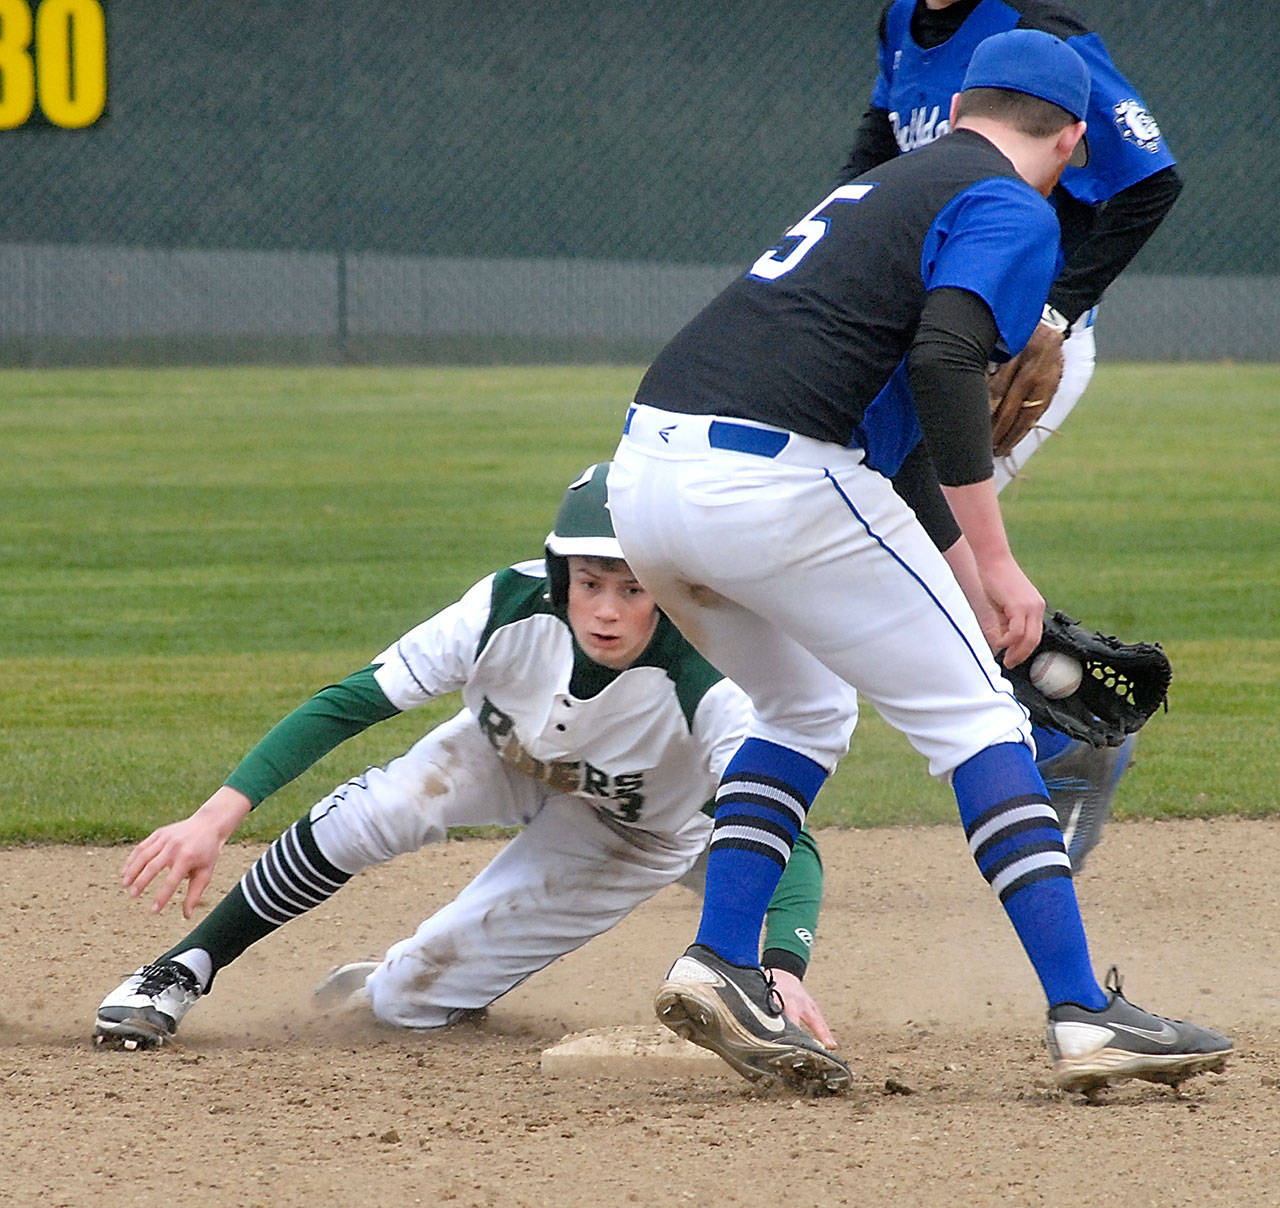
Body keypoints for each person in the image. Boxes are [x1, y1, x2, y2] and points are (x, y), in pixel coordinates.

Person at [607, 29, 1229, 1096]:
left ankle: (721, 961)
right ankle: (1083, 1010)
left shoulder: (890, 190)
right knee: (978, 722)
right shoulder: (1011, 206)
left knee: (801, 711)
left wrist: (982, 576)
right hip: (778, 482)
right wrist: (995, 555)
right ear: (1073, 142)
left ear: (959, 108)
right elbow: (947, 358)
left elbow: (891, 446)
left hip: (645, 479)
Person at [94, 463, 838, 1061]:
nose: (606, 609)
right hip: (501, 753)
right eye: (589, 583)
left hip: (632, 831)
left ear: (672, 590)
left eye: (633, 587)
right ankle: (184, 968)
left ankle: (403, 980)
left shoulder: (714, 680)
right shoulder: (504, 607)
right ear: (560, 576)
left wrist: (777, 970)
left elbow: (790, 842)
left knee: (403, 1007)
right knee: (385, 806)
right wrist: (216, 815)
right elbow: (352, 700)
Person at [837, 0, 1183, 870]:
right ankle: (1060, 716)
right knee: (881, 532)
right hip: (917, 335)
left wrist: (1059, 314)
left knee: (889, 531)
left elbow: (1150, 177)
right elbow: (875, 156)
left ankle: (1061, 736)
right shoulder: (900, 25)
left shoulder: (1037, 35)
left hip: (1003, 345)